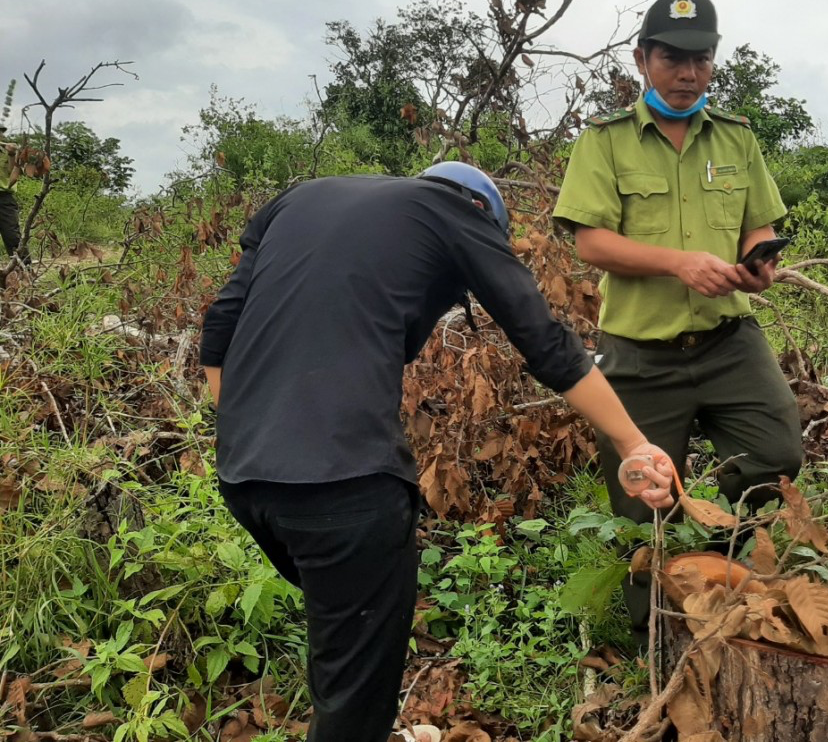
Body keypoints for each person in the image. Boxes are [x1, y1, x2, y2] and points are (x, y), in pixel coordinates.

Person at [199, 163, 675, 742]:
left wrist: (247, 434)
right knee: (354, 695)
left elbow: (222, 320)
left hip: (245, 481)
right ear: (481, 214)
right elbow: (546, 342)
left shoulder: (298, 198)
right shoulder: (456, 211)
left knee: (343, 651)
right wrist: (631, 442)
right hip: (347, 488)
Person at [553, 0, 804, 635]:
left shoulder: (738, 139)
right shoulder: (605, 143)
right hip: (639, 354)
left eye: (702, 58)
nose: (689, 73)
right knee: (643, 499)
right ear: (642, 58)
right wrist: (678, 262)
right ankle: (656, 642)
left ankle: (723, 580)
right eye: (673, 58)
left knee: (774, 454)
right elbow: (590, 242)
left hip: (729, 342)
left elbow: (759, 225)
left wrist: (759, 262)